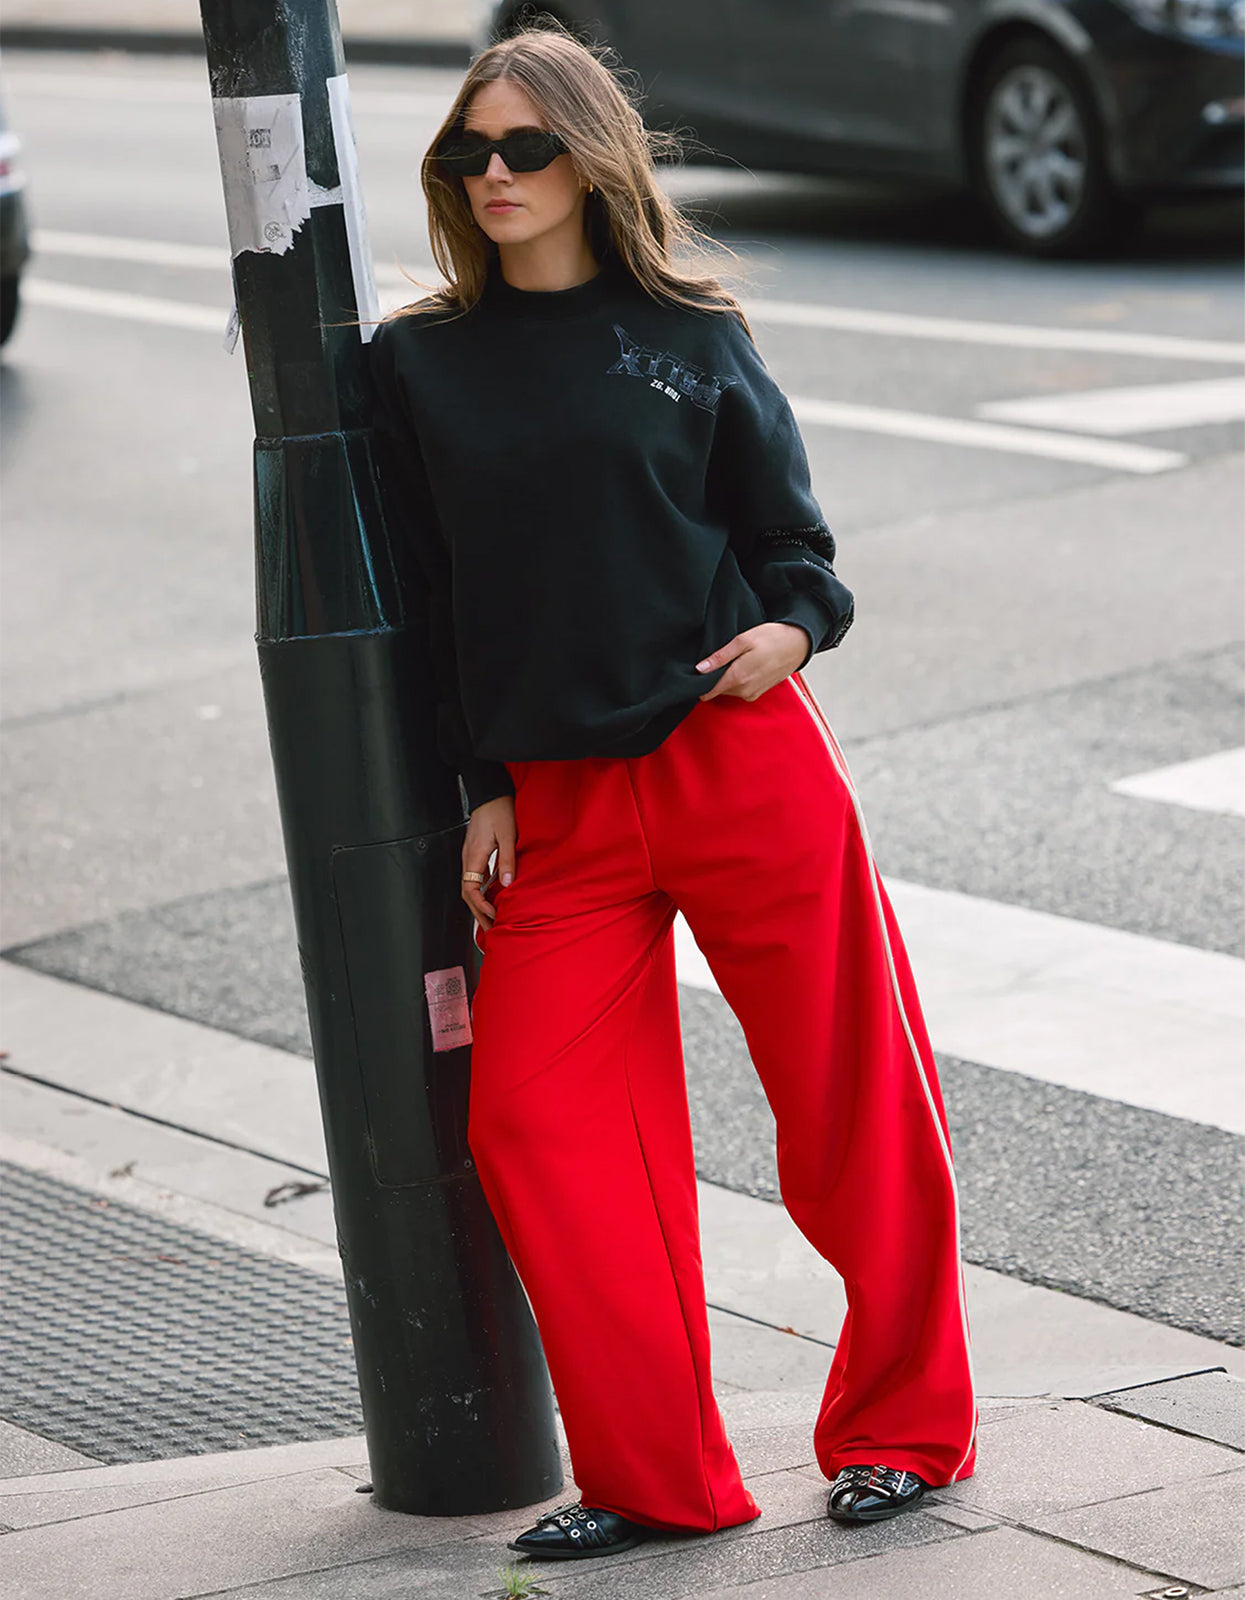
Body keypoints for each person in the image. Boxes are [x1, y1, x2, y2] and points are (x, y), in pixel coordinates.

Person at [367, 21, 978, 1564]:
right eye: (467, 151)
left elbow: (793, 547)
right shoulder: (416, 364)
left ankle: (903, 1430)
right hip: (557, 808)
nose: (494, 173)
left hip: (734, 757)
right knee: (533, 1127)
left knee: (849, 1102)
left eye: (525, 146)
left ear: (589, 160)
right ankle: (658, 1478)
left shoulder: (691, 332)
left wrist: (792, 632)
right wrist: (478, 783)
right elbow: (429, 599)